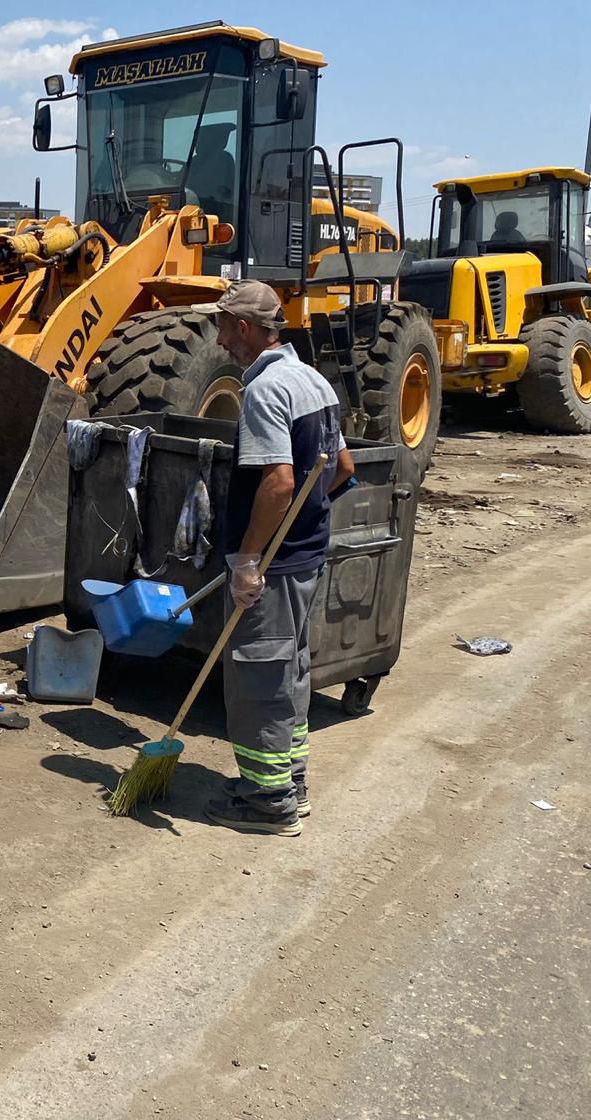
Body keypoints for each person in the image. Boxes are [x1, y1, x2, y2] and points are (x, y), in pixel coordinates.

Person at [198, 280, 354, 836]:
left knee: (258, 677)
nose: (217, 340)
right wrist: (309, 522)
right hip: (307, 557)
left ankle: (267, 802)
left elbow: (279, 482)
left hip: (274, 566)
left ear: (242, 327)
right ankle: (289, 780)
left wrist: (249, 558)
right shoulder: (313, 380)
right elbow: (342, 470)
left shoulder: (265, 391)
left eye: (220, 326)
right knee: (292, 671)